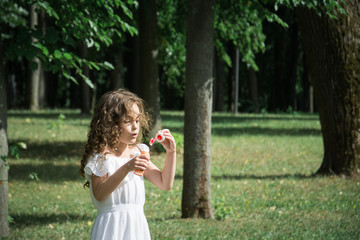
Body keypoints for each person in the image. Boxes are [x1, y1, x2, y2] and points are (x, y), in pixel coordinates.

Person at [79, 89, 176, 240]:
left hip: (136, 226)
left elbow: (164, 183)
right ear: (111, 124)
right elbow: (99, 194)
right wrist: (127, 167)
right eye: (128, 121)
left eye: (137, 120)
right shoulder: (101, 157)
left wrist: (171, 153)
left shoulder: (138, 152)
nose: (135, 127)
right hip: (111, 227)